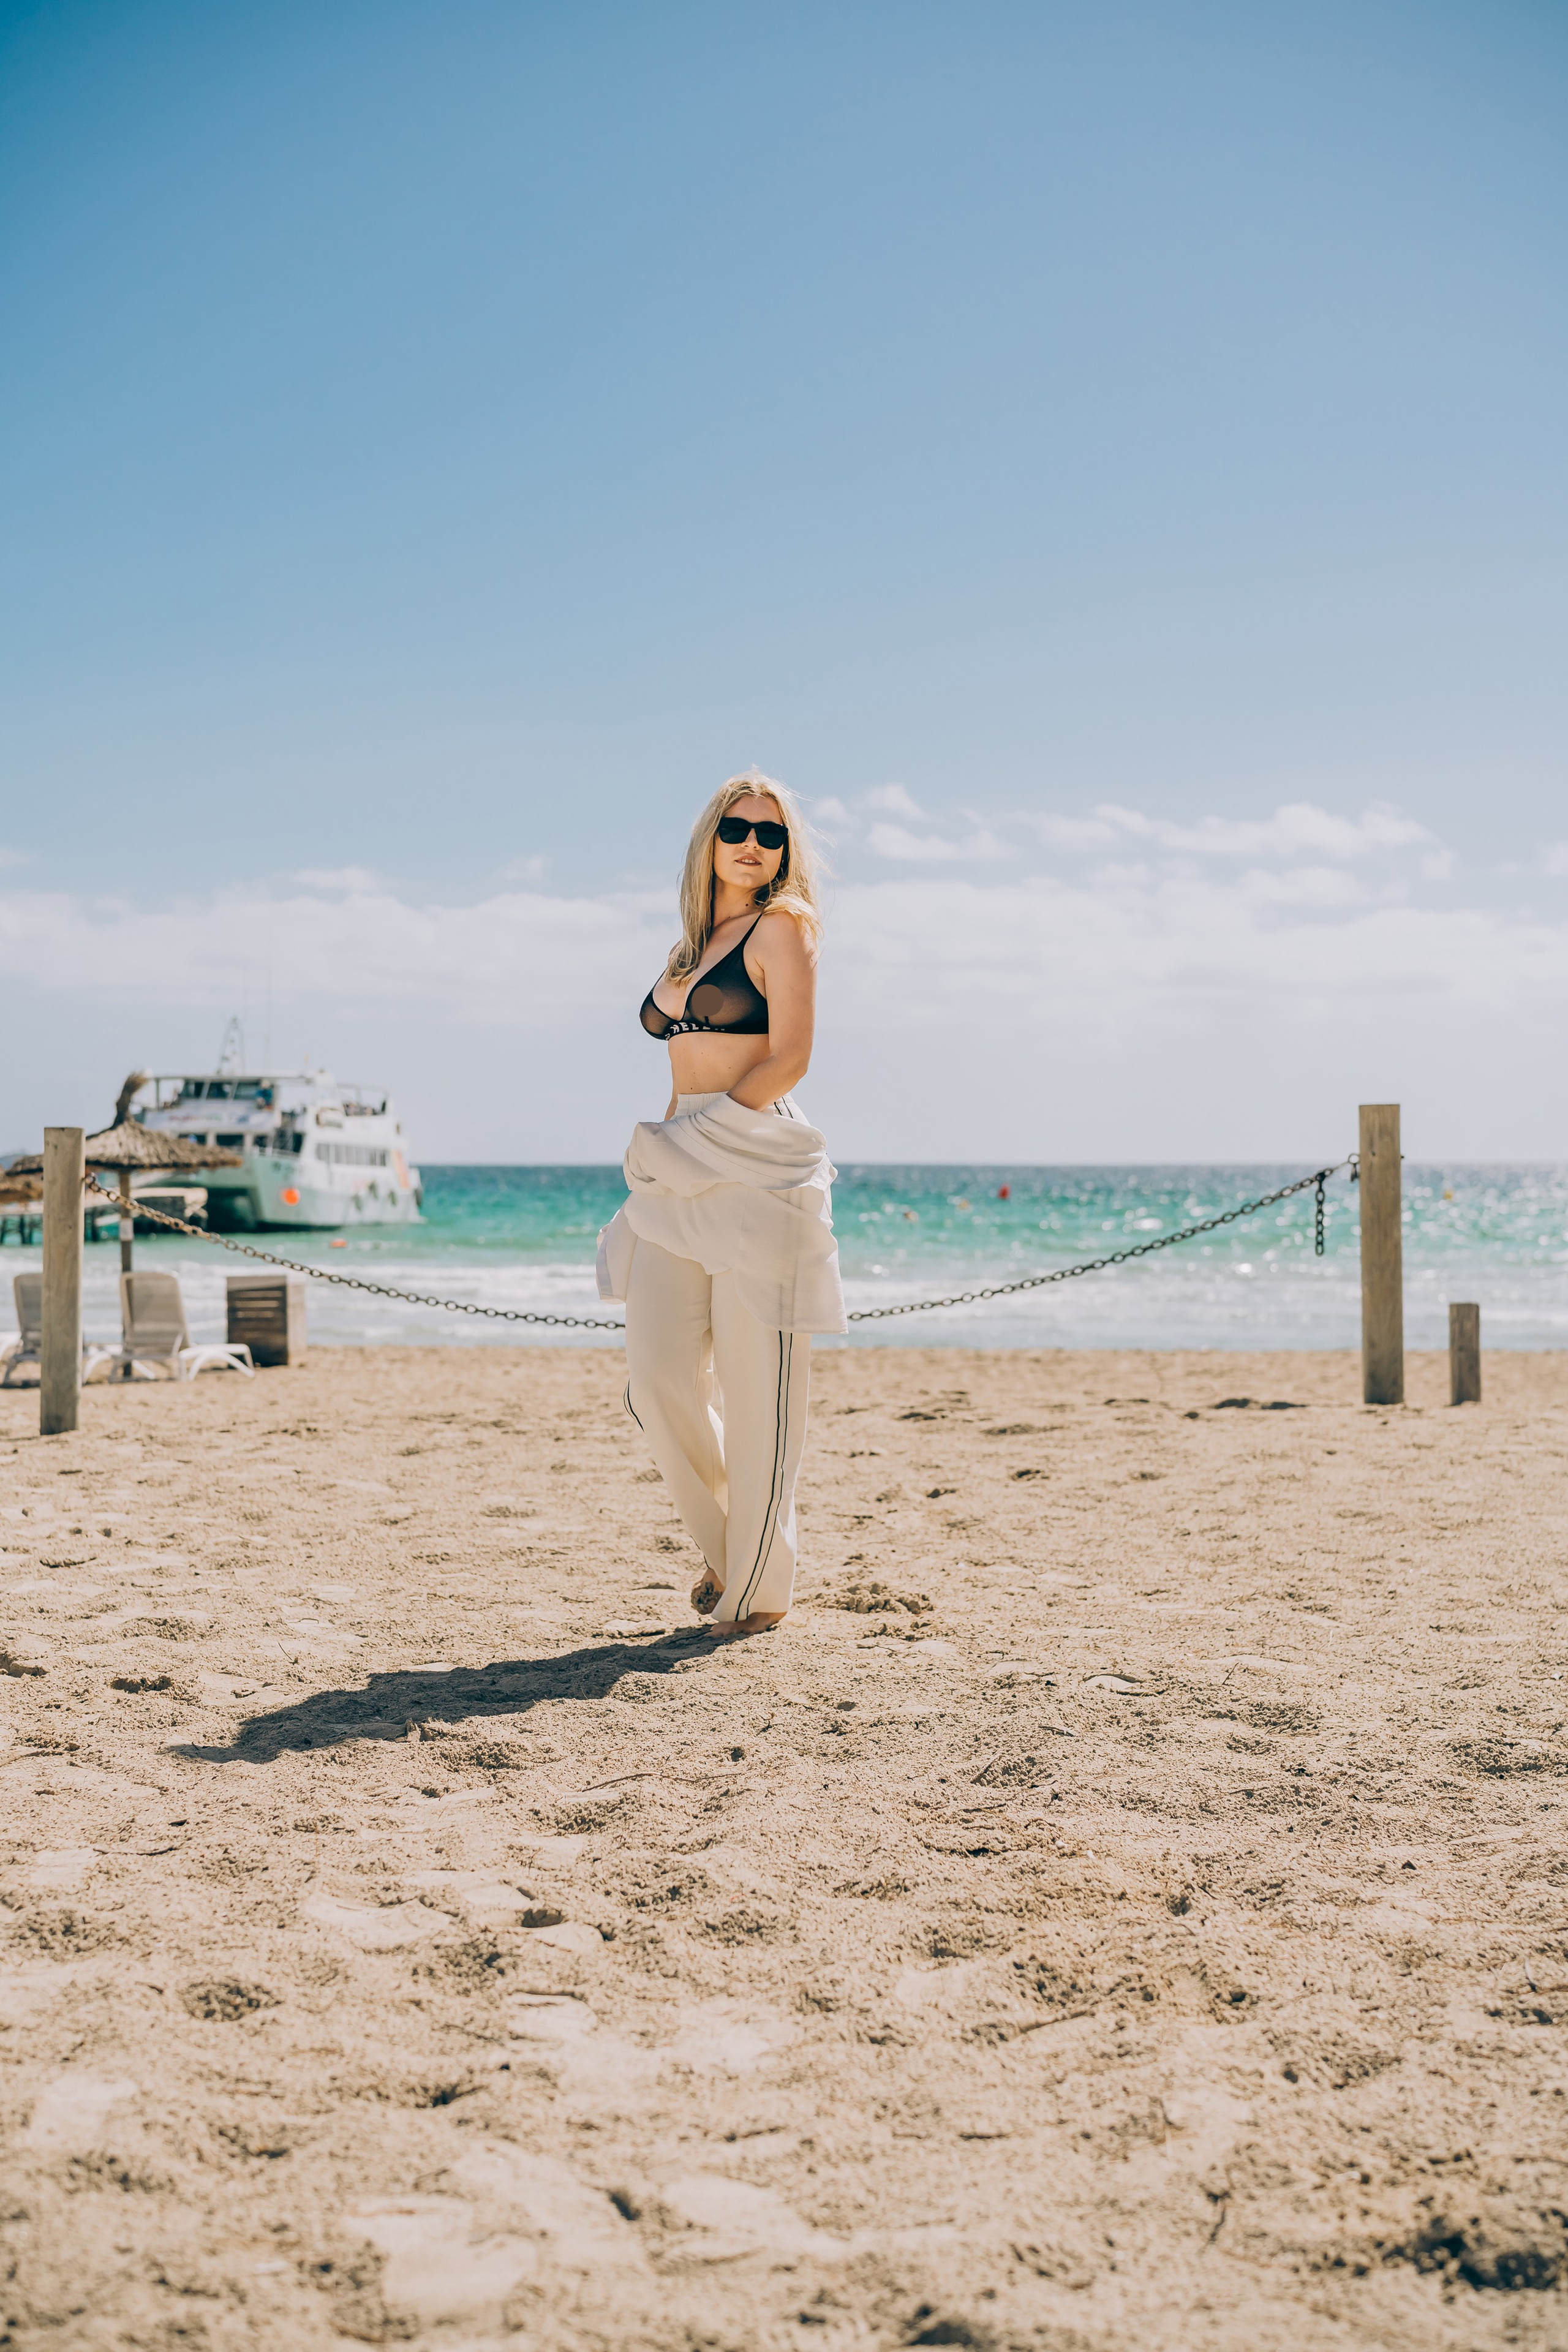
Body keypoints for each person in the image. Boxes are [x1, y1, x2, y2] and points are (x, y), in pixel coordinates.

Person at [597, 771, 846, 1638]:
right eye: (738, 827)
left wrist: (702, 1140)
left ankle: (756, 1592)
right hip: (677, 1167)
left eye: (772, 834)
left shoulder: (786, 928)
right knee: (656, 1379)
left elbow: (791, 1057)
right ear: (711, 837)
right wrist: (673, 1153)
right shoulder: (688, 947)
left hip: (751, 1156)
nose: (753, 844)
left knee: (759, 1391)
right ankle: (727, 1546)